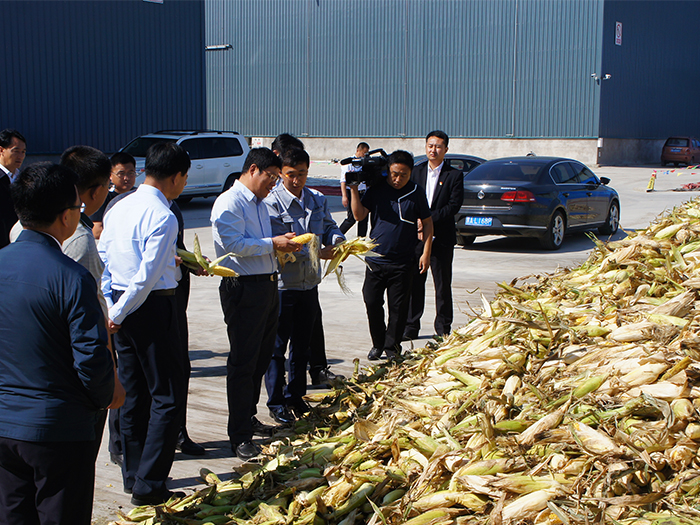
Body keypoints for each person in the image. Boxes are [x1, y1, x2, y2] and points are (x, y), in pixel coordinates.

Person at [0, 162, 115, 525]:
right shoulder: (71, 277)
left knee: (12, 515)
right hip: (57, 428)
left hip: (5, 422)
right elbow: (90, 358)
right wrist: (108, 394)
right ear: (67, 216)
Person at [99, 142, 190, 505]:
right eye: (185, 178)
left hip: (121, 304)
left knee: (134, 393)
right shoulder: (163, 216)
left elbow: (104, 261)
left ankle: (133, 475)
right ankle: (150, 484)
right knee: (168, 396)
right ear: (176, 177)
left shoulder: (119, 206)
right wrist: (118, 312)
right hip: (150, 307)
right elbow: (147, 278)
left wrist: (111, 307)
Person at [211, 147, 300, 461]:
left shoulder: (260, 203)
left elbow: (260, 244)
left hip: (267, 286)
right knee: (243, 363)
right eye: (271, 177)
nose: (273, 184)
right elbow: (233, 245)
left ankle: (247, 418)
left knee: (261, 359)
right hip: (243, 288)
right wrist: (273, 243)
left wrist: (278, 244)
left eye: (276, 177)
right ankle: (239, 436)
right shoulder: (229, 202)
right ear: (252, 170)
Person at [264, 147, 344, 424]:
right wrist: (316, 251)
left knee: (302, 347)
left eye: (302, 174)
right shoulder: (272, 203)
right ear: (280, 174)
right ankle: (276, 402)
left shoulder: (317, 199)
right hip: (283, 286)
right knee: (276, 348)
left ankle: (295, 397)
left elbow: (330, 226)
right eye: (290, 175)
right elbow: (280, 244)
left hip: (309, 284)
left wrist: (338, 241)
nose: (296, 180)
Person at [59, 146, 126, 460]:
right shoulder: (80, 240)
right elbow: (86, 317)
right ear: (97, 191)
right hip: (71, 372)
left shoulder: (24, 227)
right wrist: (110, 375)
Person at [349, 150, 433, 361]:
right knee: (371, 301)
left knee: (398, 308)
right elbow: (359, 215)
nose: (398, 179)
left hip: (402, 261)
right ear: (388, 171)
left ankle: (392, 347)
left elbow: (428, 223)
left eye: (403, 175)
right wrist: (353, 190)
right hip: (375, 259)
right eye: (394, 174)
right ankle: (378, 343)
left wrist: (426, 253)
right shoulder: (377, 190)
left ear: (411, 173)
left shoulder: (416, 192)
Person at [404, 131, 464, 340]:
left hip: (442, 237)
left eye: (438, 146)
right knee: (415, 283)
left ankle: (443, 328)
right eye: (430, 146)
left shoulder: (454, 175)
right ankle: (411, 327)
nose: (433, 150)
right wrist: (417, 222)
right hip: (417, 236)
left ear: (446, 149)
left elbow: (453, 206)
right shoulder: (416, 172)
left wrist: (428, 219)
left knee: (442, 284)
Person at [91, 151, 137, 240]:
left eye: (131, 173)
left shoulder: (139, 194)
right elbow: (96, 231)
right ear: (110, 175)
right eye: (121, 174)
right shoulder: (103, 196)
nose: (126, 178)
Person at [0, 129, 26, 248]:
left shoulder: (24, 179)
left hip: (21, 243)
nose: (20, 156)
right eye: (16, 151)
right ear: (1, 150)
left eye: (23, 152)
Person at [339, 142, 370, 236]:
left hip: (363, 192)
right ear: (358, 150)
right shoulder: (349, 163)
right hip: (351, 192)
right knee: (351, 218)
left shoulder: (365, 163)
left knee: (364, 218)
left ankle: (361, 239)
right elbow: (343, 181)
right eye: (363, 153)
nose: (364, 155)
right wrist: (344, 196)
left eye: (366, 153)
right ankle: (337, 235)